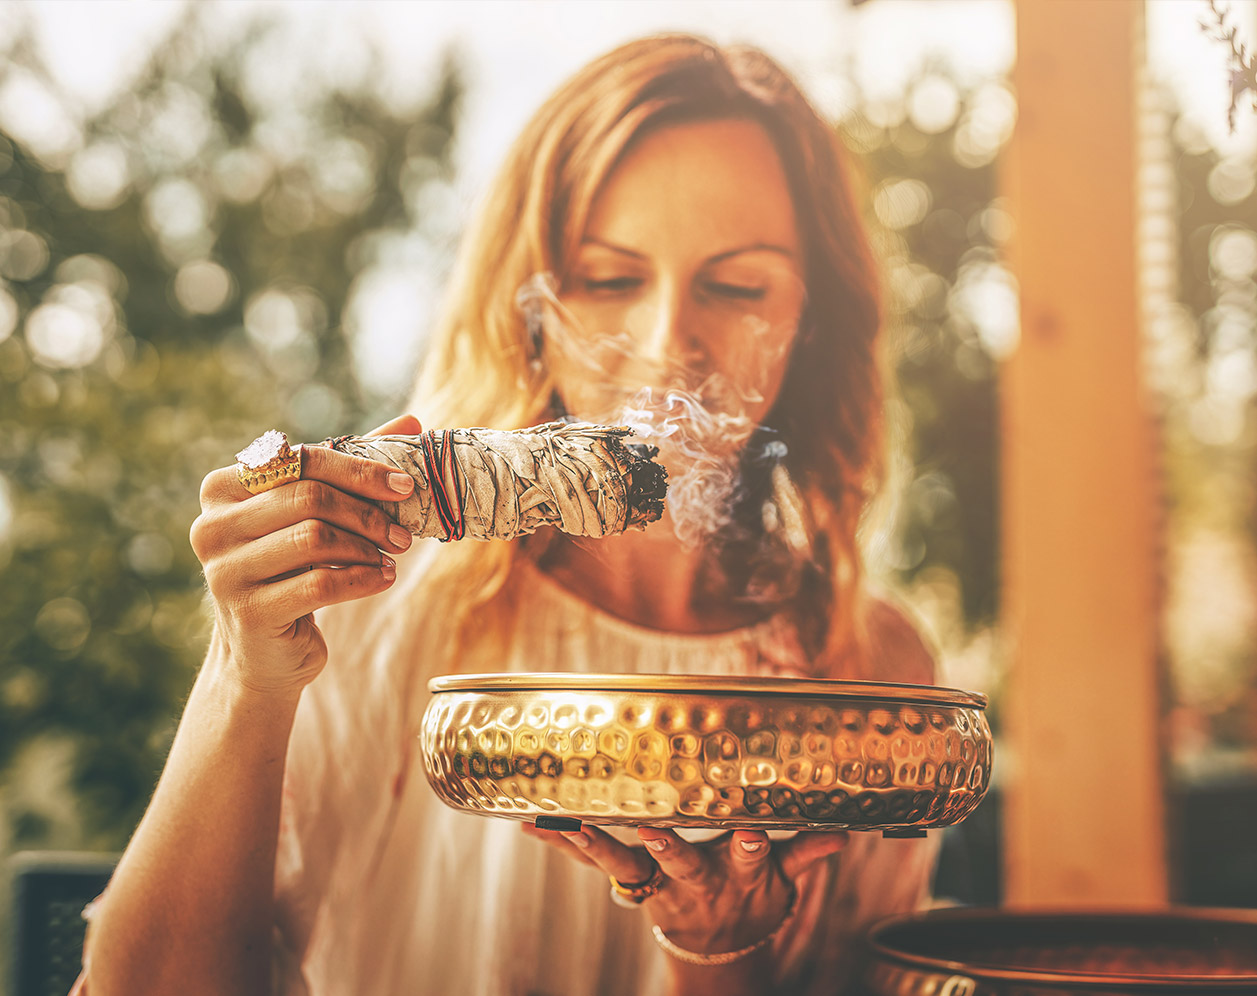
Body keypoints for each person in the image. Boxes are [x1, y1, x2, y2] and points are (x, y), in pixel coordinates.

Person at [81, 34, 938, 996]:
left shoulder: (873, 683)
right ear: (530, 309)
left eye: (737, 286)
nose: (666, 345)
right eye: (610, 279)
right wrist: (244, 670)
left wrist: (716, 953)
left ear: (811, 318)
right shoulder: (367, 605)